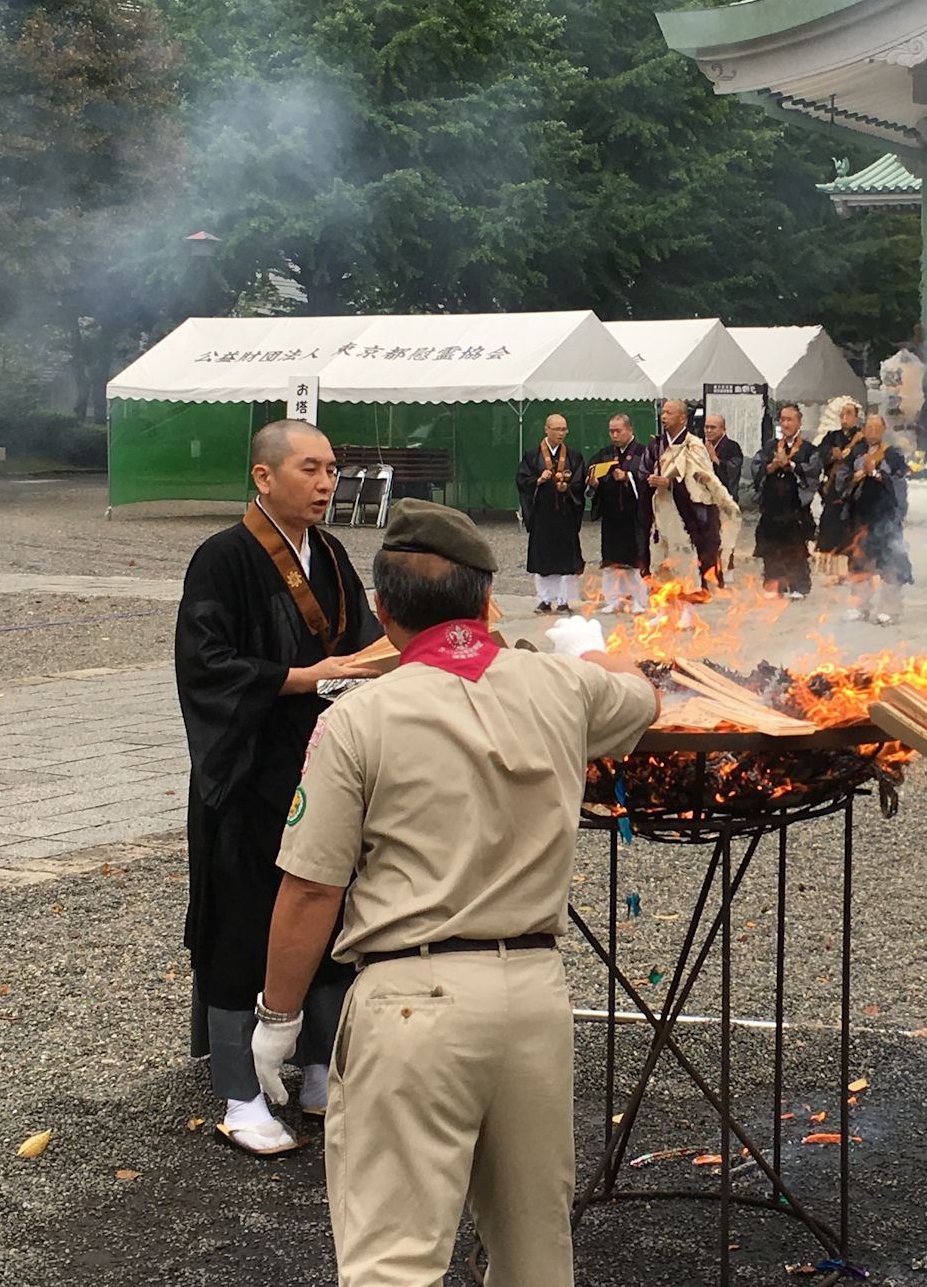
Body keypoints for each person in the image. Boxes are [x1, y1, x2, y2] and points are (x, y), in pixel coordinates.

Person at [253, 500, 659, 1284]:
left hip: (413, 1000)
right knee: (536, 1256)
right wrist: (586, 644)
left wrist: (278, 1016)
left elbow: (310, 891)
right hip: (536, 997)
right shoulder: (559, 690)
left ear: (382, 610)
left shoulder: (358, 718)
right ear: (485, 600)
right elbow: (642, 695)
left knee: (394, 1261)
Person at [174, 419, 382, 1156]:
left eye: (332, 469)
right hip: (247, 765)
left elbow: (360, 641)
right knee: (244, 919)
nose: (327, 483)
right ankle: (239, 1090)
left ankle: (320, 1066)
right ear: (264, 476)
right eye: (310, 469)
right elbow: (206, 666)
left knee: (328, 907)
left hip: (321, 756)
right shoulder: (222, 558)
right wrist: (306, 677)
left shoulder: (328, 552)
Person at [649, 397, 739, 592]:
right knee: (665, 551)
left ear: (682, 418)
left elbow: (703, 476)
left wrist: (671, 481)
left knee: (696, 550)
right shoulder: (656, 445)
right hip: (665, 508)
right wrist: (651, 479)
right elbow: (644, 470)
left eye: (668, 413)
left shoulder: (694, 445)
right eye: (662, 412)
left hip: (692, 507)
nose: (663, 417)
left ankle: (697, 587)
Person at [838, 414, 912, 626]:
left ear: (883, 429)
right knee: (860, 561)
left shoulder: (892, 454)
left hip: (885, 516)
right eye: (868, 427)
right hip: (861, 516)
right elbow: (842, 479)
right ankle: (859, 605)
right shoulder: (856, 452)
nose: (872, 432)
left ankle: (889, 609)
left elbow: (899, 483)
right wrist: (857, 476)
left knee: (889, 561)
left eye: (876, 428)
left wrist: (877, 474)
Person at [516, 414, 587, 612]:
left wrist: (568, 488)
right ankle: (545, 599)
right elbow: (522, 480)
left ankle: (564, 600)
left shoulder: (574, 456)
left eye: (564, 429)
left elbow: (580, 482)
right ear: (546, 429)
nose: (561, 433)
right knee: (543, 558)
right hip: (542, 515)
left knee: (566, 559)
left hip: (565, 514)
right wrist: (538, 480)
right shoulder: (532, 456)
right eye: (557, 429)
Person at [751, 403, 819, 599]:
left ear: (799, 422)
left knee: (795, 547)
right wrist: (770, 467)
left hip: (794, 506)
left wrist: (792, 465)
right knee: (772, 547)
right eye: (783, 419)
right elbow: (757, 467)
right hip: (773, 506)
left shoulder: (808, 449)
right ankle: (774, 583)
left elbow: (813, 471)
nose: (786, 423)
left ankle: (799, 585)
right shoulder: (770, 446)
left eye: (790, 419)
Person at [588, 414, 652, 614]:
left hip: (636, 516)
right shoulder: (605, 454)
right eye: (611, 431)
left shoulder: (645, 452)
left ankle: (639, 600)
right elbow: (593, 477)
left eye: (618, 431)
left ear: (630, 430)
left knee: (636, 559)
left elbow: (649, 479)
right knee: (612, 560)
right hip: (612, 515)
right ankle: (614, 599)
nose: (614, 435)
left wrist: (629, 476)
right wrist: (595, 484)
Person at [813, 396, 864, 579]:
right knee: (830, 527)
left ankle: (851, 570)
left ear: (856, 417)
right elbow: (819, 455)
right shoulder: (831, 437)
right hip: (832, 489)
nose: (845, 417)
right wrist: (830, 455)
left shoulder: (862, 438)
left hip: (853, 492)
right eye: (842, 414)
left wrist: (846, 459)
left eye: (849, 414)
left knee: (851, 531)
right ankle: (832, 572)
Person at [704, 413, 746, 502]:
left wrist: (714, 458)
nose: (708, 430)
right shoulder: (702, 446)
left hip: (726, 496)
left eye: (713, 427)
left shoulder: (732, 446)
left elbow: (734, 470)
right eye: (706, 427)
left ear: (723, 429)